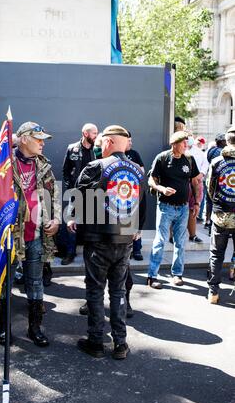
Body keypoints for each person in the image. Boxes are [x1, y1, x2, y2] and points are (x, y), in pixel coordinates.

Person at [69, 125, 145, 360]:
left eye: (102, 142)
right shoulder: (138, 171)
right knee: (118, 290)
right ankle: (120, 344)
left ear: (110, 142)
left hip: (98, 239)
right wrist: (136, 230)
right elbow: (142, 205)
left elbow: (79, 199)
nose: (100, 146)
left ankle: (95, 342)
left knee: (94, 290)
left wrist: (75, 221)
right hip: (124, 239)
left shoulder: (95, 167)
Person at [0, 121, 60, 347]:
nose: (42, 143)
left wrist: (55, 218)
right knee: (6, 282)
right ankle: (4, 328)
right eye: (38, 139)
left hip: (36, 233)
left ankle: (35, 328)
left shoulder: (44, 165)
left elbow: (53, 196)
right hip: (11, 234)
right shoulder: (4, 164)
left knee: (35, 281)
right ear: (24, 139)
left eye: (43, 139)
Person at [147, 131, 200, 289]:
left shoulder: (189, 159)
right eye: (183, 143)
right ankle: (152, 276)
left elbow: (196, 182)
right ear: (174, 144)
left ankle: (177, 274)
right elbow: (151, 179)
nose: (186, 145)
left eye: (186, 143)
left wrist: (196, 203)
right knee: (160, 241)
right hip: (165, 207)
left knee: (180, 242)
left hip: (183, 208)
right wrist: (161, 188)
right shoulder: (162, 158)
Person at [62, 123, 98, 265]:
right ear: (85, 134)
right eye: (94, 133)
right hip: (75, 192)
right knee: (72, 222)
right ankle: (70, 253)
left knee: (91, 224)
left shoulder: (97, 150)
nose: (96, 135)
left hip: (93, 193)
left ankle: (90, 255)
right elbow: (65, 170)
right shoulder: (72, 148)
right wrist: (69, 187)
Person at [206, 126, 235, 304]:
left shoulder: (217, 161)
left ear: (226, 141)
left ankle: (213, 292)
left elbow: (210, 188)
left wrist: (219, 202)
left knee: (216, 254)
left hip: (220, 215)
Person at [125, 130, 146, 260]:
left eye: (131, 140)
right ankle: (127, 249)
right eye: (129, 141)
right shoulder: (115, 155)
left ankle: (137, 249)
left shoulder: (134, 154)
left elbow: (142, 171)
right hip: (120, 194)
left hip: (134, 192)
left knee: (136, 221)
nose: (131, 143)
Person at [186, 134, 208, 242]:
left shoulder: (199, 152)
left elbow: (205, 165)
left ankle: (192, 234)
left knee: (193, 209)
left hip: (195, 182)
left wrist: (201, 175)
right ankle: (172, 236)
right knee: (176, 210)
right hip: (182, 183)